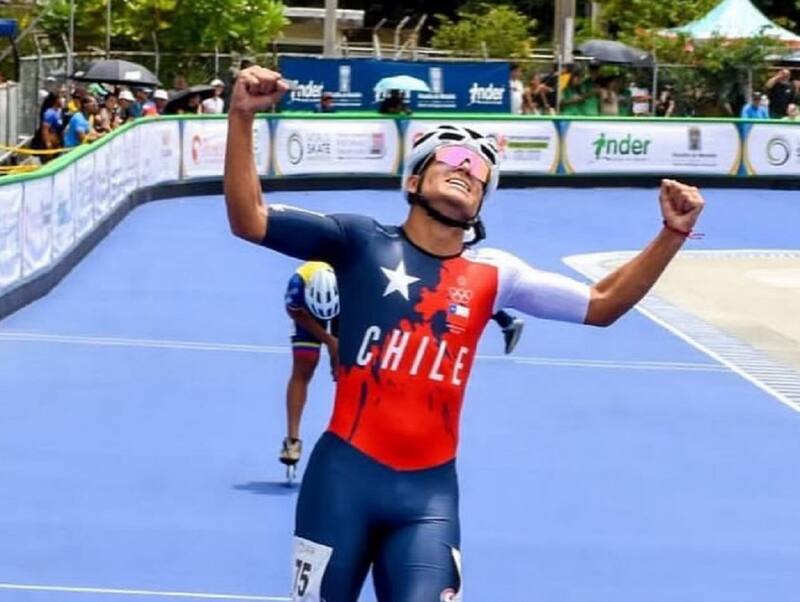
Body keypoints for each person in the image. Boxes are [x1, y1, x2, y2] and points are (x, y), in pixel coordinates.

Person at [223, 66, 705, 602]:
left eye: (477, 171)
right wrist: (242, 116)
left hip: (428, 500)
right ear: (412, 181)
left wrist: (672, 234)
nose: (465, 169)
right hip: (341, 481)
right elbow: (251, 219)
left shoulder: (496, 274)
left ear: (480, 204)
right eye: (451, 160)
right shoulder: (358, 241)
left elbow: (603, 305)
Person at [279, 261, 340, 475]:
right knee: (304, 365)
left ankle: (345, 432)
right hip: (307, 311)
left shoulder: (352, 281)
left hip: (345, 305)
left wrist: (337, 353)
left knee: (347, 368)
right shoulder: (298, 284)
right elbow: (294, 311)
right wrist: (329, 340)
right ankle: (292, 439)